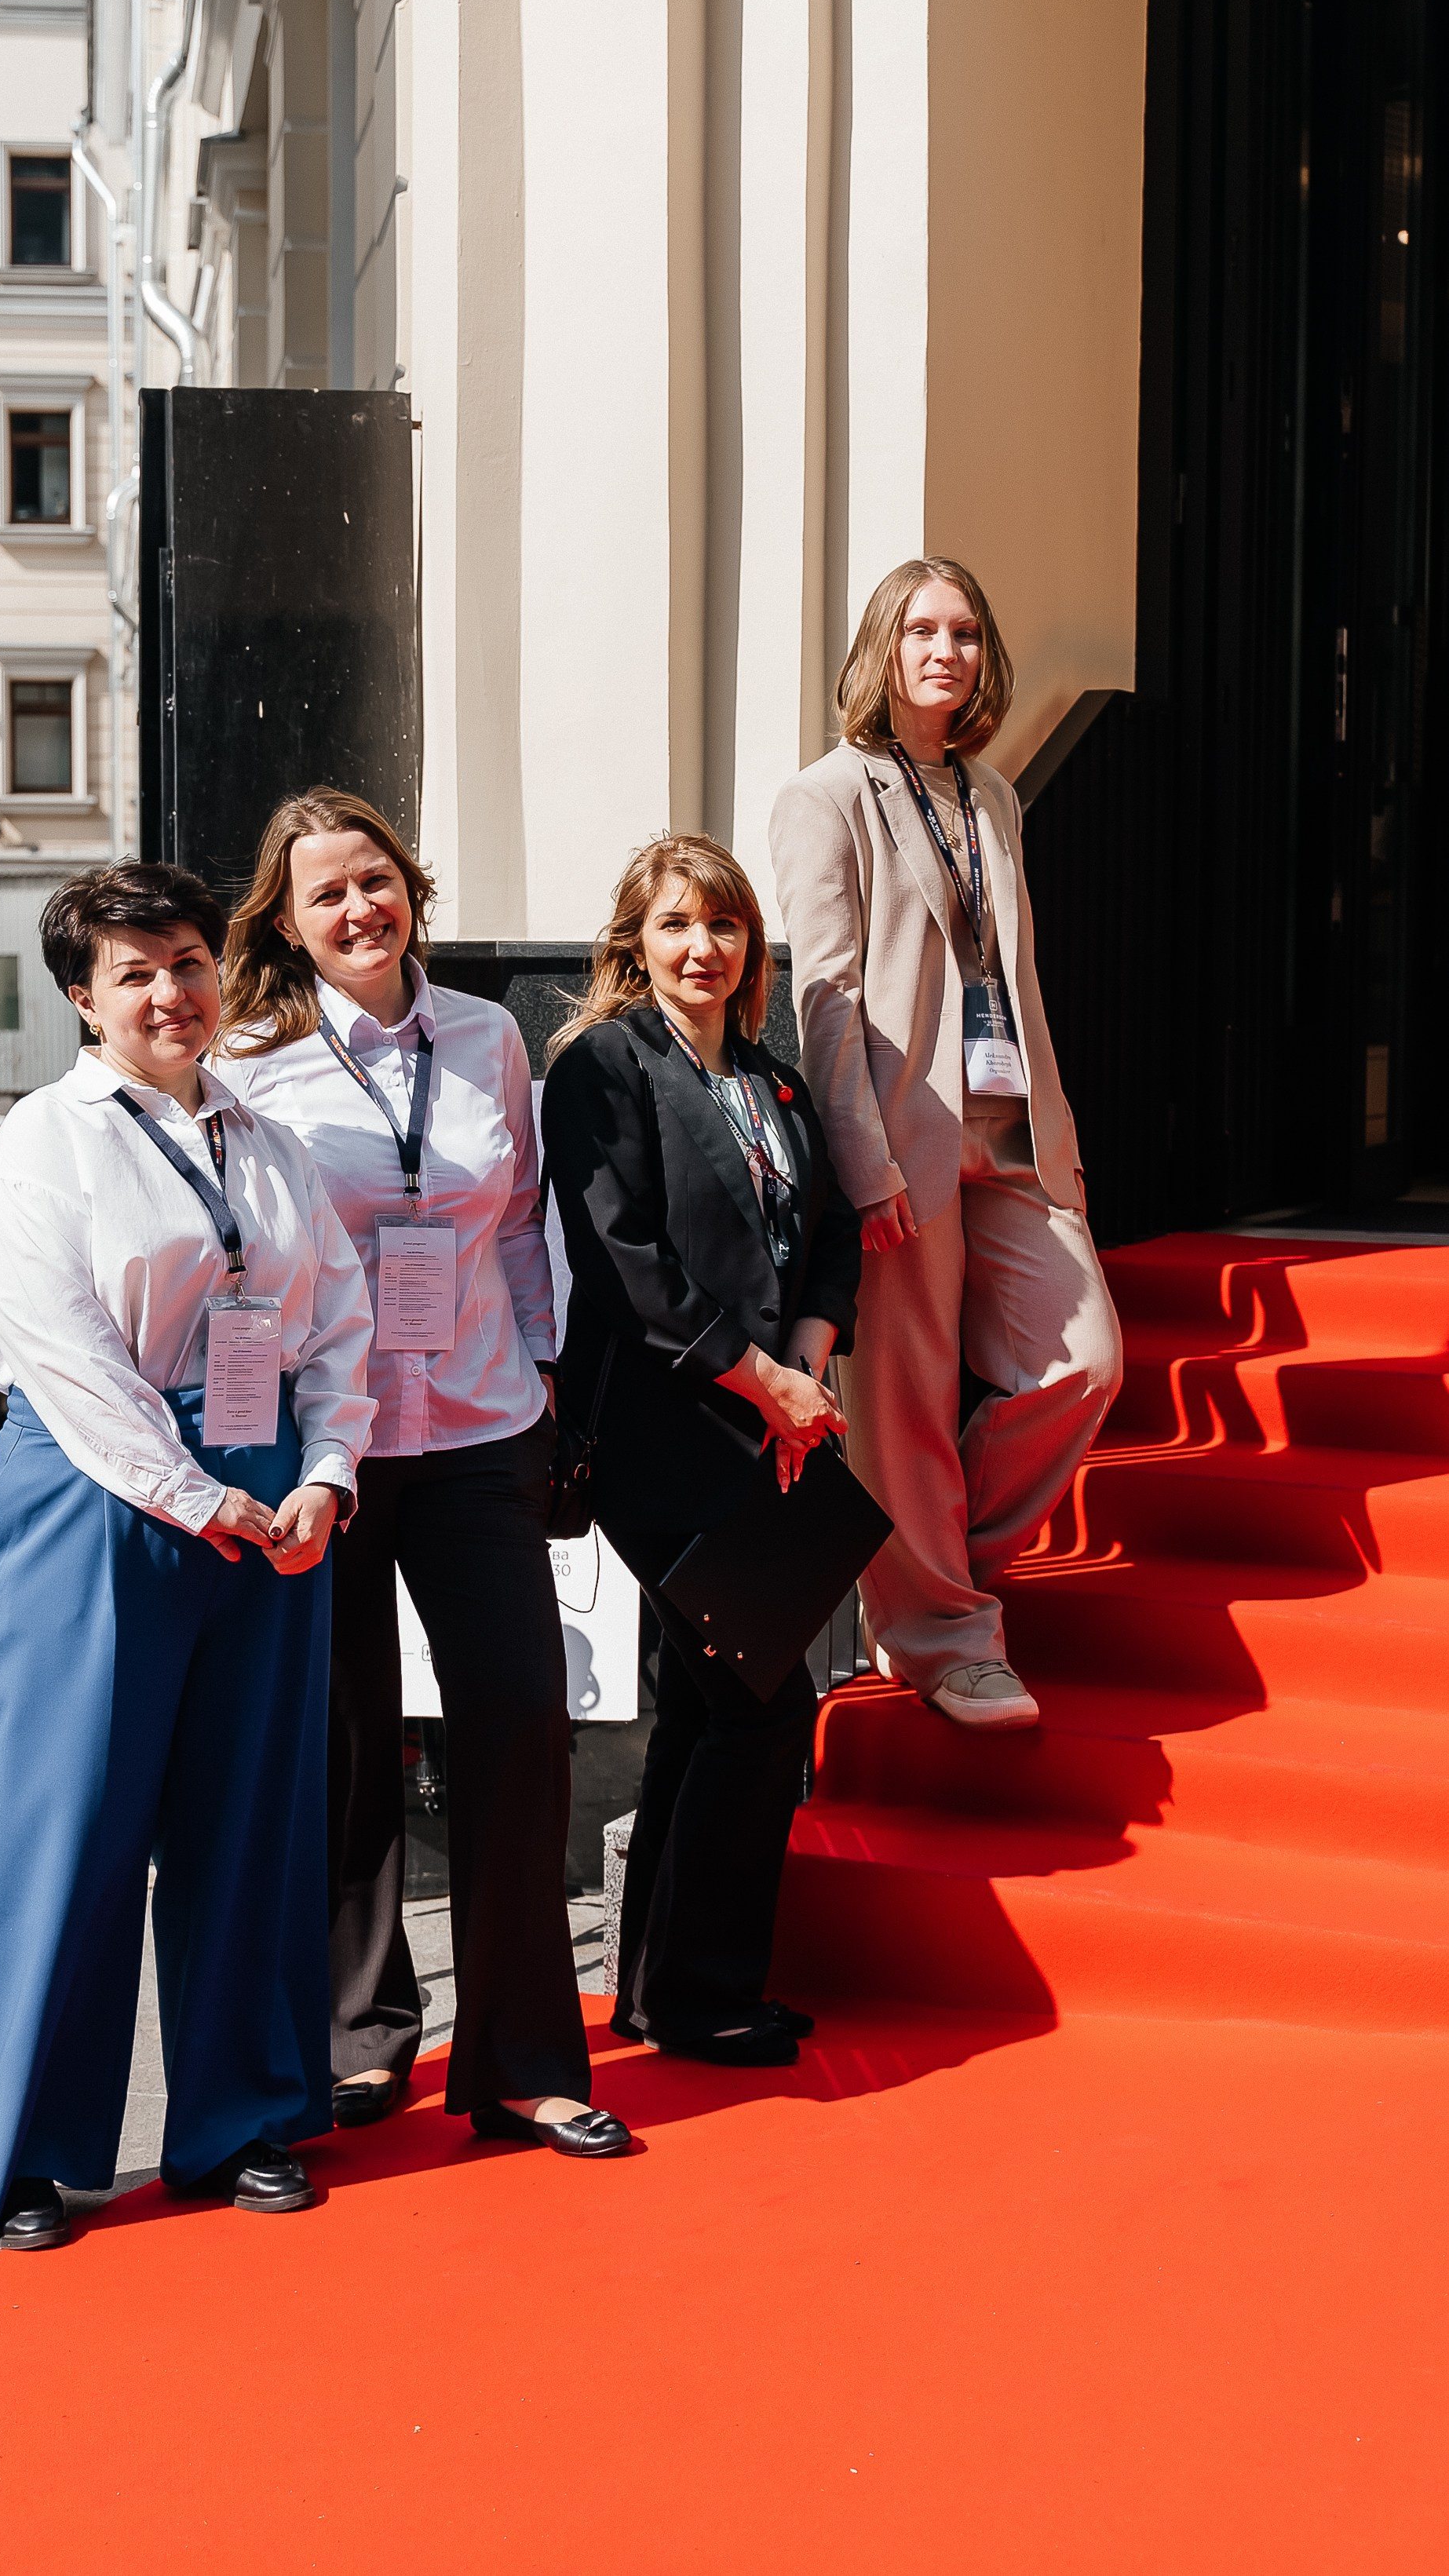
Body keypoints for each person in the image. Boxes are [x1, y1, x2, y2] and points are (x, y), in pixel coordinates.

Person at [0, 861, 375, 2249]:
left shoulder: (266, 1140)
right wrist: (189, 1494)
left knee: (251, 1820)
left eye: (187, 962)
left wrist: (325, 1471)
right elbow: (66, 1360)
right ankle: (31, 2154)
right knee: (66, 1828)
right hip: (99, 1493)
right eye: (132, 973)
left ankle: (240, 2118)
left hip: (266, 1496)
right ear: (82, 998)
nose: (167, 992)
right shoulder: (42, 1145)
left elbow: (336, 1324)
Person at [217, 787, 629, 2160]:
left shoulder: (485, 1035)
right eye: (326, 892)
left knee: (519, 1727)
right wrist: (239, 1435)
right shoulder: (250, 1058)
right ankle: (360, 2031)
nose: (359, 909)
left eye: (376, 880)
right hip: (327, 1445)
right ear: (285, 919)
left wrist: (536, 1366)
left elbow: (516, 1221)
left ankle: (520, 2059)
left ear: (413, 888)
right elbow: (234, 1260)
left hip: (477, 1431)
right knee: (345, 1749)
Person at [769, 558, 1122, 1731]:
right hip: (901, 1130)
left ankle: (914, 1555)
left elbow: (1010, 973)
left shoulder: (994, 794)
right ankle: (941, 1641)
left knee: (1081, 1362)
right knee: (904, 1401)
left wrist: (1055, 1132)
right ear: (881, 648)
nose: (945, 651)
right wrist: (860, 1163)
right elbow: (822, 996)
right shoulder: (827, 795)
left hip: (1010, 1120)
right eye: (920, 629)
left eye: (965, 631)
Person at [540, 834, 860, 2067]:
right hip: (662, 1431)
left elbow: (826, 1240)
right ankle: (704, 1992)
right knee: (761, 1705)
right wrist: (766, 1378)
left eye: (723, 927)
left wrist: (808, 1375)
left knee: (706, 1705)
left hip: (775, 1431)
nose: (701, 949)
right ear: (635, 942)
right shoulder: (601, 1069)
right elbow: (628, 1268)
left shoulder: (774, 1086)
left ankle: (657, 1988)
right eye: (676, 925)